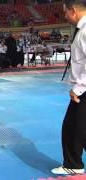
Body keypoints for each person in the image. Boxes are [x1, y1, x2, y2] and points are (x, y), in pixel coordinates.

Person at [51, 0, 86, 175]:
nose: (64, 16)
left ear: (73, 10)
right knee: (71, 126)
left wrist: (78, 88)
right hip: (83, 88)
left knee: (81, 128)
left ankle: (73, 163)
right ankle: (73, 164)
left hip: (85, 89)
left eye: (65, 12)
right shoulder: (81, 29)